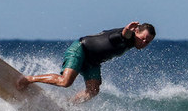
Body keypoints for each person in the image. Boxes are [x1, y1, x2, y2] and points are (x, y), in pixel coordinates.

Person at [17, 21, 156, 102]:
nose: (144, 42)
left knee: (93, 90)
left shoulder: (133, 43)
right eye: (143, 38)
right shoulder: (125, 37)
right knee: (66, 82)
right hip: (81, 49)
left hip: (93, 62)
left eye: (148, 42)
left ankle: (68, 104)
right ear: (136, 31)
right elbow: (123, 35)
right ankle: (29, 79)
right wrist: (127, 30)